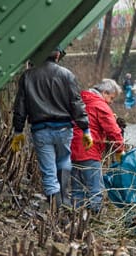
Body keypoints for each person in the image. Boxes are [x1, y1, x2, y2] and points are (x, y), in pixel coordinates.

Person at [11, 46, 93, 208]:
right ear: (57, 56)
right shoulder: (66, 74)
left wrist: (18, 130)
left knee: (48, 170)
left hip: (40, 130)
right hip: (64, 129)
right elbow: (76, 104)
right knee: (63, 162)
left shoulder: (27, 76)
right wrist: (85, 129)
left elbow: (20, 107)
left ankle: (54, 205)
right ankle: (64, 200)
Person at [70, 79, 125, 213]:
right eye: (111, 98)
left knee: (76, 189)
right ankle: (95, 216)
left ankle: (76, 218)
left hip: (71, 149)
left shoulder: (79, 100)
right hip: (89, 150)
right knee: (95, 189)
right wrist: (120, 150)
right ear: (105, 92)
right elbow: (113, 131)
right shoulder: (100, 105)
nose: (111, 102)